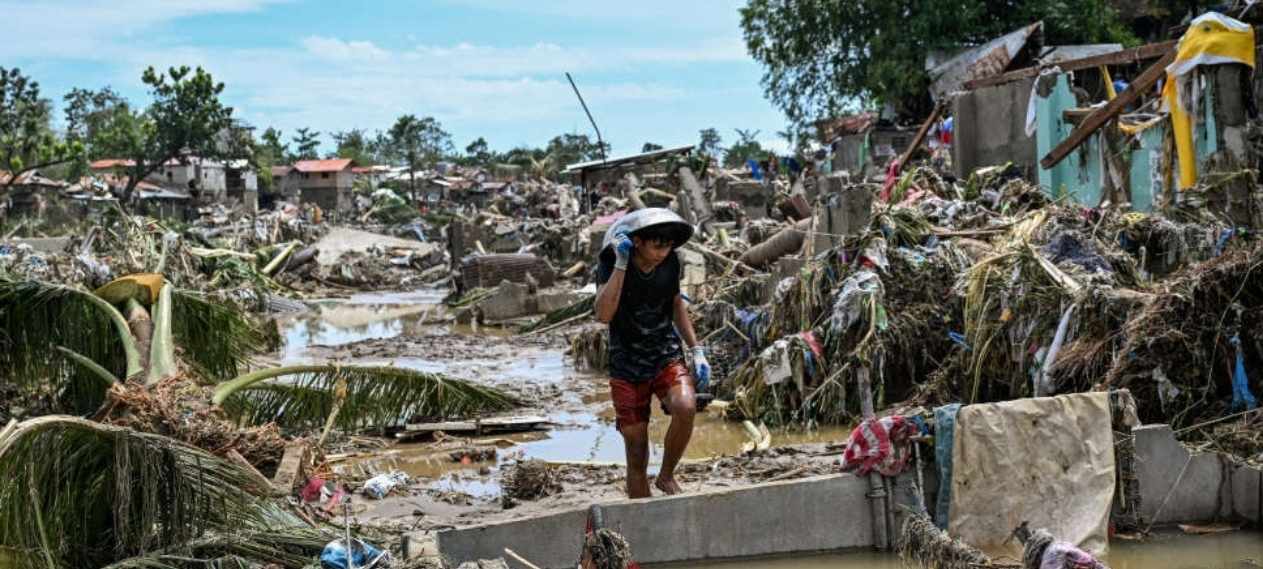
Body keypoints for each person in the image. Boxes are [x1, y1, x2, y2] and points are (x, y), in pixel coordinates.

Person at [594, 211, 710, 498]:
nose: (663, 253)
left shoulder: (670, 262)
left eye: (668, 246)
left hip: (664, 352)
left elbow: (676, 304)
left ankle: (666, 476)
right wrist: (621, 264)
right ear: (638, 242)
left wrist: (696, 349)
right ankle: (642, 510)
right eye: (657, 246)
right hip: (626, 361)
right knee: (636, 451)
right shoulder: (610, 262)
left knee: (686, 406)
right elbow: (604, 315)